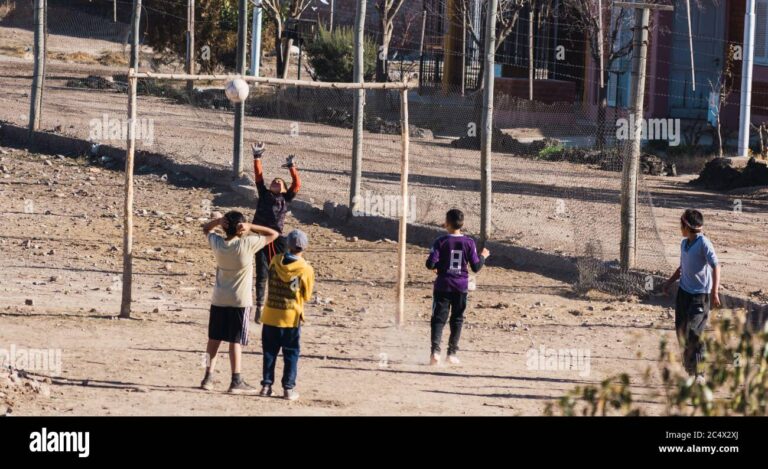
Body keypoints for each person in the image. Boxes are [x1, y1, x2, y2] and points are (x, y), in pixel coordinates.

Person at [200, 211, 279, 394]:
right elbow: (273, 234)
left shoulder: (218, 244)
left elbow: (205, 229)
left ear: (225, 227)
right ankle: (236, 379)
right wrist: (251, 226)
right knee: (235, 341)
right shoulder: (247, 244)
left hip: (219, 298)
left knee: (213, 340)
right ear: (241, 228)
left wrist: (218, 221)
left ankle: (207, 376)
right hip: (240, 300)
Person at [663, 209, 721, 383]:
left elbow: (716, 266)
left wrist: (714, 292)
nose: (679, 228)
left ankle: (700, 373)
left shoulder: (704, 243)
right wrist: (669, 282)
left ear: (686, 226)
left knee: (694, 332)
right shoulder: (684, 243)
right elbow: (682, 268)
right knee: (681, 331)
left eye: (680, 224)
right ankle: (690, 367)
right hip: (683, 293)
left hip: (700, 296)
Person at [426, 209, 489, 366]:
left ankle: (435, 352)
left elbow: (430, 264)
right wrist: (483, 256)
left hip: (443, 285)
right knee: (457, 318)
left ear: (446, 223)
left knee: (438, 319)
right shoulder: (469, 242)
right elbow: (475, 267)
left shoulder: (440, 241)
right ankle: (452, 353)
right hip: (460, 287)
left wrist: (439, 268)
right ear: (463, 224)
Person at [259, 229, 315, 401]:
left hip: (270, 315)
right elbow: (306, 295)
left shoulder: (276, 261)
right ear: (304, 247)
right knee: (291, 354)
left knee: (269, 352)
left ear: (288, 245)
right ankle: (288, 389)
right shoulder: (305, 269)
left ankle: (266, 386)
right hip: (291, 317)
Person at [250, 142, 301, 323]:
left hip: (277, 239)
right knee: (262, 272)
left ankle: (288, 302)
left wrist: (292, 167)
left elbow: (296, 184)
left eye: (280, 183)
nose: (276, 183)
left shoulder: (285, 199)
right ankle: (259, 306)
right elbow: (258, 177)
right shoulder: (264, 194)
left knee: (285, 270)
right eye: (274, 182)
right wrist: (257, 157)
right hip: (260, 238)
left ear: (285, 190)